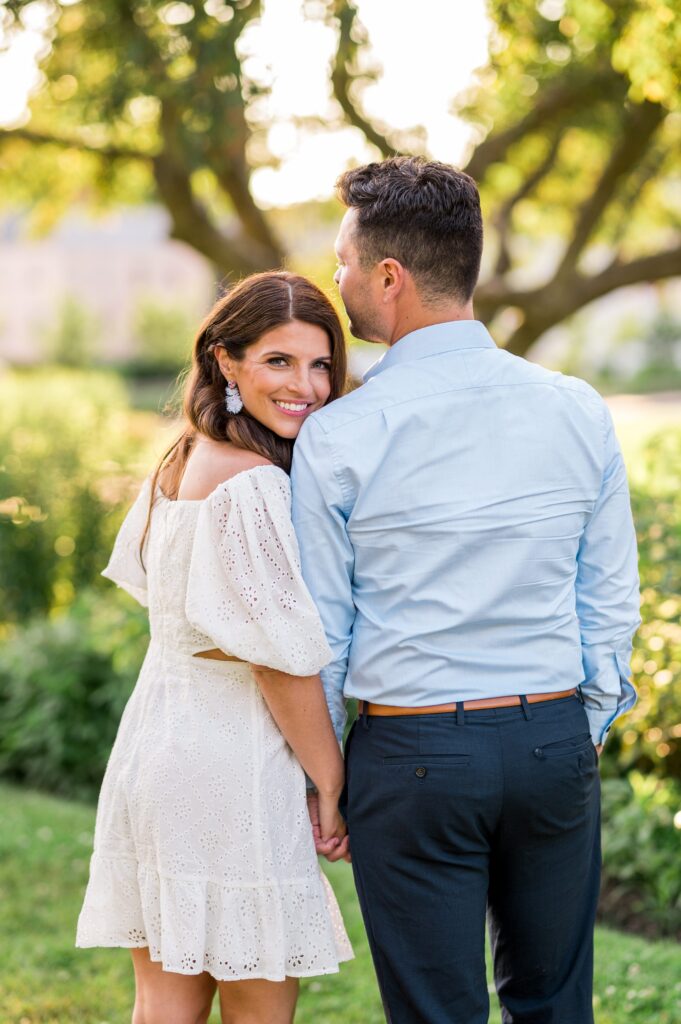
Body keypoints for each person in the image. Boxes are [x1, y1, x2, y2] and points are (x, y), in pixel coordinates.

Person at [291, 157, 641, 1024]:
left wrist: (329, 778)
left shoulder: (337, 436)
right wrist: (580, 721)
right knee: (556, 1004)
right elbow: (608, 595)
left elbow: (322, 634)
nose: (333, 282)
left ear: (388, 277)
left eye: (340, 263)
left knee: (435, 1013)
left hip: (410, 758)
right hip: (552, 741)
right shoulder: (576, 408)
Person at [76, 271, 353, 1024]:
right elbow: (275, 659)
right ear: (226, 362)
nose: (308, 385)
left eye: (321, 363)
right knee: (259, 1006)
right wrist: (331, 783)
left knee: (163, 1004)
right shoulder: (252, 485)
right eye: (279, 361)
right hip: (230, 765)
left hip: (157, 748)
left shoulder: (183, 458)